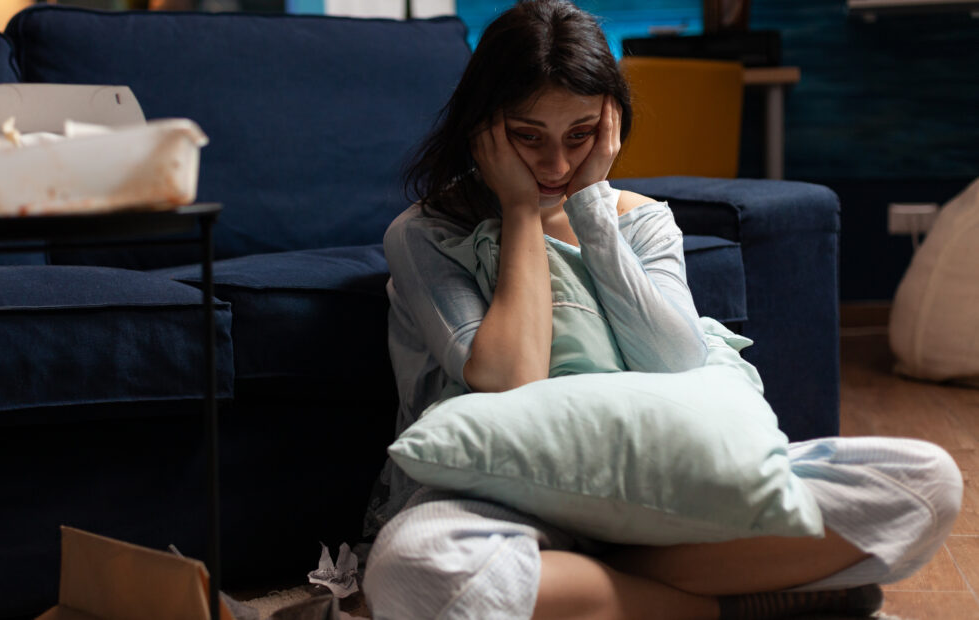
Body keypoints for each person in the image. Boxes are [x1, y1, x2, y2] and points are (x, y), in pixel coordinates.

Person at [362, 1, 963, 618]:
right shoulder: (426, 233)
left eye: (580, 135)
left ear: (610, 124)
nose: (557, 166)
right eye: (527, 137)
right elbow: (511, 381)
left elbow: (674, 361)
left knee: (925, 484)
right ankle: (720, 606)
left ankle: (592, 583)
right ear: (482, 127)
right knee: (417, 570)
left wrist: (593, 211)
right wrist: (519, 212)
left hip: (661, 493)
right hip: (498, 497)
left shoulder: (642, 221)